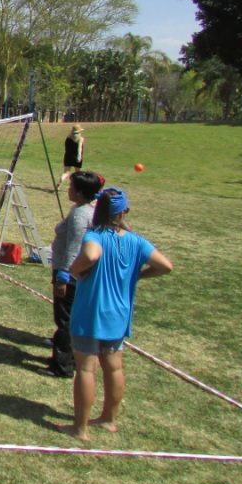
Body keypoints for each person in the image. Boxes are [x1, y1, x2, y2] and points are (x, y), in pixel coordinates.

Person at [58, 187, 173, 441]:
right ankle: (109, 419)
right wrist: (138, 276)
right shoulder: (137, 241)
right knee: (113, 367)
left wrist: (75, 271)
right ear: (124, 213)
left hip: (91, 313)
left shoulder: (95, 236)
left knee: (86, 369)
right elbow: (165, 265)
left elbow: (90, 254)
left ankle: (80, 428)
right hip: (119, 315)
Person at [46, 171, 104, 377]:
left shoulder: (80, 215)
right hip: (74, 273)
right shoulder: (84, 209)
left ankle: (63, 365)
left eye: (71, 188)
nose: (68, 190)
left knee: (65, 320)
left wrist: (63, 275)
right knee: (70, 318)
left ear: (80, 193)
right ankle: (70, 358)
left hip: (69, 274)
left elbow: (74, 246)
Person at [58, 124, 85, 190]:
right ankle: (77, 187)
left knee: (66, 172)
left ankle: (61, 181)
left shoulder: (68, 138)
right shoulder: (81, 139)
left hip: (68, 156)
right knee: (78, 173)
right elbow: (79, 149)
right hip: (76, 157)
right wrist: (79, 157)